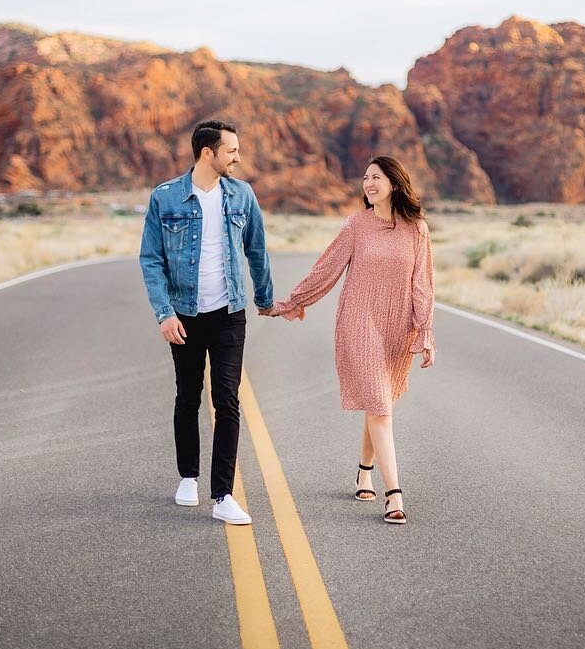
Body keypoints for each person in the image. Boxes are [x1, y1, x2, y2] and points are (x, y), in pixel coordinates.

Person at [262, 155, 435, 525]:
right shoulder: (356, 225)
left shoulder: (416, 229)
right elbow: (327, 268)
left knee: (380, 403)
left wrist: (425, 331)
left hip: (396, 327)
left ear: (394, 182)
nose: (368, 183)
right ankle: (394, 495)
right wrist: (292, 303)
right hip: (358, 323)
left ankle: (364, 471)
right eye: (365, 178)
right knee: (379, 404)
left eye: (376, 177)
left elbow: (422, 285)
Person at [140, 120, 274, 525]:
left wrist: (265, 299)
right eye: (231, 150)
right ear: (207, 152)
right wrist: (164, 313)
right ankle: (188, 476)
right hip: (184, 314)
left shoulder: (242, 195)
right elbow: (151, 259)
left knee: (228, 400)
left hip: (229, 313)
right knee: (188, 396)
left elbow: (257, 250)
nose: (238, 157)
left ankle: (222, 495)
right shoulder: (165, 198)